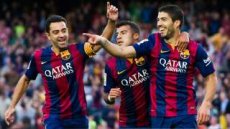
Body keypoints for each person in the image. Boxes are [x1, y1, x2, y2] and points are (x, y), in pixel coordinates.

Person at [84, 4, 217, 128]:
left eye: (164, 19)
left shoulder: (193, 48)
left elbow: (211, 76)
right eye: (158, 20)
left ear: (176, 23)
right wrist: (103, 41)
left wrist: (207, 103)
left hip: (185, 114)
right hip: (157, 116)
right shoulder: (153, 42)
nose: (159, 23)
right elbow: (122, 52)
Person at [5, 2, 118, 129]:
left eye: (64, 31)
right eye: (56, 32)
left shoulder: (78, 51)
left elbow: (102, 42)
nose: (61, 35)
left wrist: (111, 22)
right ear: (48, 36)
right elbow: (25, 79)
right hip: (54, 117)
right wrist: (12, 106)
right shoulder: (39, 56)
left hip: (79, 117)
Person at [103, 21, 189, 128]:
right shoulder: (110, 65)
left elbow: (169, 37)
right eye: (117, 34)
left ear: (136, 36)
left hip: (153, 120)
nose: (118, 37)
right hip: (128, 123)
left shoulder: (149, 52)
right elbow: (106, 95)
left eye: (123, 33)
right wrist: (110, 97)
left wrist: (184, 34)